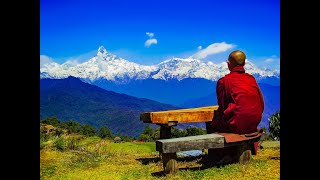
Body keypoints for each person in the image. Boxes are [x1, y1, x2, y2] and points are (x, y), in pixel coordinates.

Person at [208, 50, 264, 134]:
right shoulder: (251, 79)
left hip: (235, 125)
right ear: (244, 63)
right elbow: (261, 103)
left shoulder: (223, 81)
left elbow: (222, 107)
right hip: (254, 123)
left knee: (212, 125)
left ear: (228, 64)